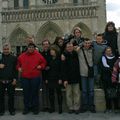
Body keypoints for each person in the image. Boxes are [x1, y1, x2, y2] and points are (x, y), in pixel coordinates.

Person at [17, 43, 46, 115]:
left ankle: (35, 108)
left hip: (35, 77)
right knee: (26, 93)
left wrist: (41, 66)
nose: (30, 48)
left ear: (34, 48)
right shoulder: (22, 56)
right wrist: (19, 68)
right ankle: (26, 108)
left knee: (35, 93)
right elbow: (18, 64)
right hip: (25, 77)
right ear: (27, 48)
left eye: (32, 47)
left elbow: (44, 62)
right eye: (29, 47)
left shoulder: (38, 55)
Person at [76, 38, 96, 113]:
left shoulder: (92, 50)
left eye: (88, 43)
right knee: (84, 91)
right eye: (85, 43)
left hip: (91, 74)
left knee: (91, 91)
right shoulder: (80, 50)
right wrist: (81, 45)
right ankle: (84, 105)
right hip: (83, 73)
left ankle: (91, 105)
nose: (87, 45)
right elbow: (76, 50)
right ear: (83, 44)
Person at [62, 42, 80, 114]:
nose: (70, 48)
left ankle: (76, 108)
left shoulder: (76, 54)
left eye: (71, 47)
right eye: (68, 47)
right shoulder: (64, 56)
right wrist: (65, 79)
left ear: (73, 47)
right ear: (66, 48)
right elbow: (63, 69)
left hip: (76, 77)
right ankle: (70, 107)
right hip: (68, 78)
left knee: (76, 94)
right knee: (68, 94)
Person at [0, 43, 17, 116]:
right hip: (0, 81)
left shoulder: (14, 58)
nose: (6, 51)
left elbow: (15, 70)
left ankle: (11, 110)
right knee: (0, 97)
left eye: (7, 49)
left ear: (10, 49)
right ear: (2, 49)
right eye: (4, 49)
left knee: (11, 97)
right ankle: (1, 110)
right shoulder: (0, 58)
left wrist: (15, 79)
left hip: (10, 81)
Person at [46, 45, 63, 114]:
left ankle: (60, 107)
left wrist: (60, 78)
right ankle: (52, 107)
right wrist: (46, 78)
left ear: (56, 51)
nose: (51, 52)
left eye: (52, 51)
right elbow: (47, 69)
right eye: (50, 51)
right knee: (51, 94)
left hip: (57, 78)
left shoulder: (59, 59)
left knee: (59, 93)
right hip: (50, 78)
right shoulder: (49, 58)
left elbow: (61, 69)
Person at [100, 47, 118, 113]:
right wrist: (111, 69)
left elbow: (117, 67)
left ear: (111, 51)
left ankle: (116, 108)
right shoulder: (102, 58)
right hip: (106, 79)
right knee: (107, 94)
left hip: (114, 78)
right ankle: (108, 108)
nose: (108, 52)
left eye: (110, 51)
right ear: (105, 52)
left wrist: (112, 71)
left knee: (114, 93)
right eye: (107, 51)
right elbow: (102, 68)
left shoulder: (115, 58)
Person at [41, 39, 51, 112]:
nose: (46, 45)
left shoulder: (52, 53)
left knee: (51, 91)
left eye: (47, 44)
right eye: (44, 44)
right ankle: (45, 106)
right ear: (42, 46)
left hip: (51, 75)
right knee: (44, 91)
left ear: (49, 45)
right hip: (43, 75)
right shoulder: (40, 54)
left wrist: (49, 66)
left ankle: (50, 106)